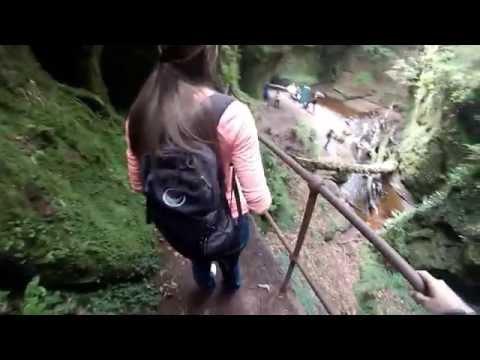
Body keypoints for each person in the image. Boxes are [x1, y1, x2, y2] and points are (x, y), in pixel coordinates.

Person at [125, 45, 272, 293]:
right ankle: (231, 287)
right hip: (227, 223)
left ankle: (205, 287)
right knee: (230, 260)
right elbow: (259, 203)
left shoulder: (138, 113)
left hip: (177, 224)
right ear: (209, 53)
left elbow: (138, 184)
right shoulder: (231, 115)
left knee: (198, 258)